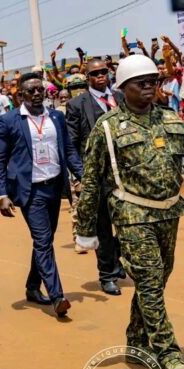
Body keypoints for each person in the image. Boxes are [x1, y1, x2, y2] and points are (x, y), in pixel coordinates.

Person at [76, 55, 184, 369]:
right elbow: (92, 181)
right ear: (123, 88)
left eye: (154, 81)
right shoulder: (107, 127)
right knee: (150, 281)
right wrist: (85, 230)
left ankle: (136, 340)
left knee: (158, 279)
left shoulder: (171, 120)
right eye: (142, 83)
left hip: (168, 212)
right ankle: (169, 355)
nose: (150, 87)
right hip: (132, 215)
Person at [0, 72, 83, 318]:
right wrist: (2, 193)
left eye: (39, 89)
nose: (36, 94)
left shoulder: (56, 117)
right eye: (30, 91)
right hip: (29, 190)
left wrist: (83, 176)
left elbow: (69, 151)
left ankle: (33, 286)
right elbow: (0, 161)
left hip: (54, 186)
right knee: (43, 240)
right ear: (20, 95)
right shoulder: (10, 120)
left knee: (45, 239)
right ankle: (58, 297)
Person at [66, 59, 126, 295]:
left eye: (104, 72)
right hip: (96, 174)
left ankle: (116, 257)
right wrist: (82, 174)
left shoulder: (121, 97)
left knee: (126, 221)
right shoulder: (77, 104)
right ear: (87, 77)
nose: (100, 76)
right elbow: (72, 143)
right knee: (102, 226)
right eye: (95, 73)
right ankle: (107, 275)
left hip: (126, 173)